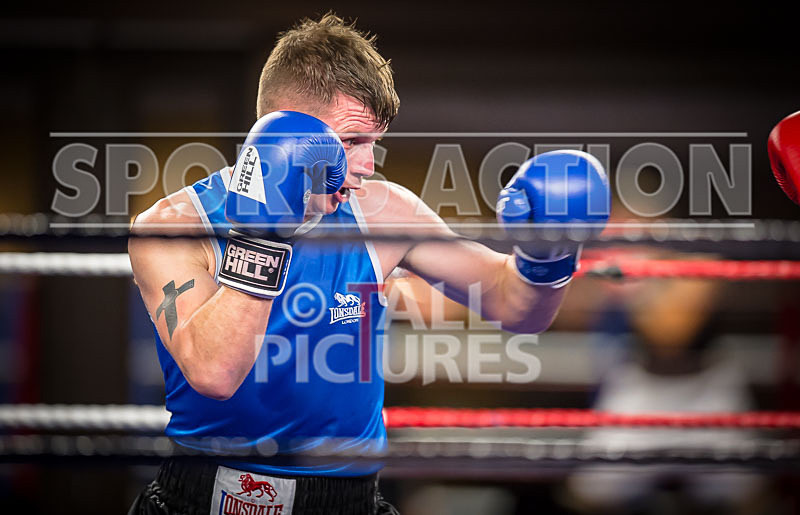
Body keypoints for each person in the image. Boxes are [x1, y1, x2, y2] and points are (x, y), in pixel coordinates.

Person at [127, 13, 609, 515]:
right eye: (352, 141)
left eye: (373, 144)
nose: (366, 167)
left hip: (349, 500)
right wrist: (264, 232)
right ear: (289, 133)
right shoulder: (173, 227)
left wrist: (547, 255)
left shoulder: (383, 212)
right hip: (205, 496)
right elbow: (215, 373)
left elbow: (515, 307)